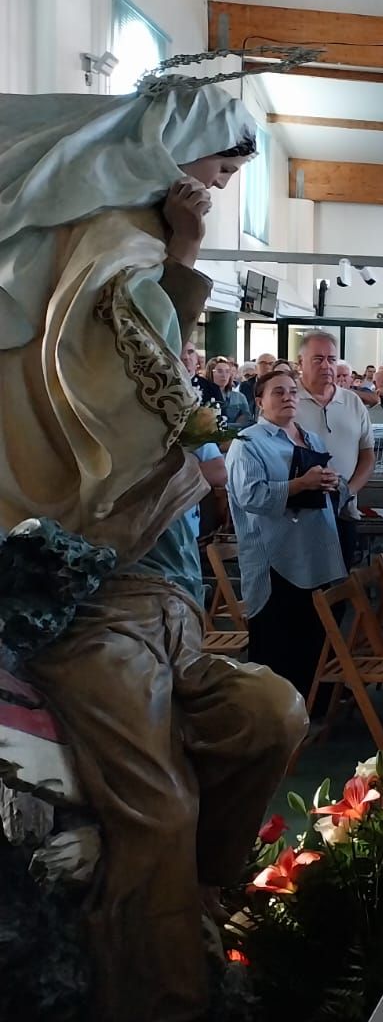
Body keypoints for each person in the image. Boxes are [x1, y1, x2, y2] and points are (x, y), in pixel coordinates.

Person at [0, 85, 306, 1022]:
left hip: (169, 600)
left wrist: (182, 254)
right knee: (157, 810)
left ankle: (195, 903)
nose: (222, 184)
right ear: (169, 158)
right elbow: (126, 416)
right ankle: (162, 990)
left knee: (273, 714)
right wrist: (192, 451)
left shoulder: (136, 259)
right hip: (97, 602)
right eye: (219, 166)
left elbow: (155, 370)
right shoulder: (101, 264)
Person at [225, 368, 347, 696]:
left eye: (292, 392)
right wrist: (299, 485)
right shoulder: (247, 444)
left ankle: (313, 706)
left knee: (312, 637)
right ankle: (276, 716)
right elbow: (250, 496)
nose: (288, 398)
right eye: (278, 392)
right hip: (275, 557)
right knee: (279, 642)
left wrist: (334, 483)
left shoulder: (312, 438)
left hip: (315, 551)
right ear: (260, 402)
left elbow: (333, 487)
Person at [294, 331, 375, 570]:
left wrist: (348, 491)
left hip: (342, 512)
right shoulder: (287, 400)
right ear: (301, 363)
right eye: (317, 359)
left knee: (338, 586)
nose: (327, 366)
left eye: (331, 359)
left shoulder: (353, 402)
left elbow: (367, 454)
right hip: (297, 514)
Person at [208, 356, 252, 426]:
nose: (224, 375)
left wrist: (228, 426)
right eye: (220, 371)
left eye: (227, 371)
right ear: (210, 373)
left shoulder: (239, 397)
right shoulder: (202, 396)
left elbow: (246, 419)